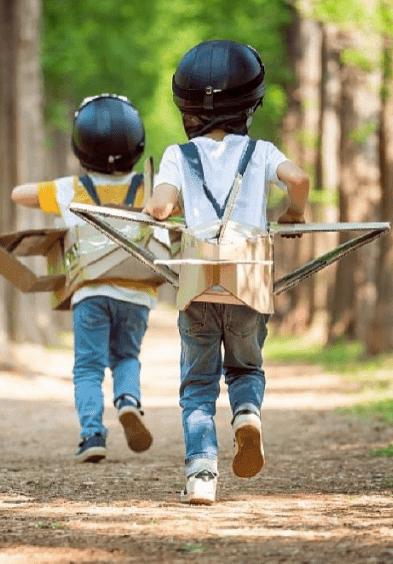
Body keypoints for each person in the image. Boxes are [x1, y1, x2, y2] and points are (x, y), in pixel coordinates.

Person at [143, 40, 311, 505]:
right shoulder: (261, 152)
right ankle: (247, 417)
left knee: (197, 385)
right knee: (245, 366)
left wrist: (156, 206)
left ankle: (200, 476)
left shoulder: (179, 155)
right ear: (251, 103)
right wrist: (293, 216)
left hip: (198, 286)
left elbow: (160, 206)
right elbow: (298, 180)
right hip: (249, 283)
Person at [11, 94, 157, 463]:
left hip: (89, 292)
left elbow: (19, 194)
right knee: (127, 355)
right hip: (137, 294)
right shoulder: (149, 187)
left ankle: (92, 434)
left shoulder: (71, 189)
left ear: (80, 146)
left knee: (89, 367)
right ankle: (128, 400)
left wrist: (57, 190)